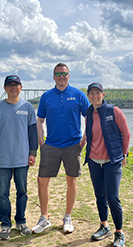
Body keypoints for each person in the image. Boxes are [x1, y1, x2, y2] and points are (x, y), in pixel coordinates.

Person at [32, 63, 90, 234]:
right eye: (58, 73)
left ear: (69, 76)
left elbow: (90, 118)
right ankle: (44, 218)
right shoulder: (46, 96)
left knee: (71, 181)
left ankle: (67, 217)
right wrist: (41, 142)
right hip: (51, 145)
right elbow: (40, 120)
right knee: (42, 180)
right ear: (53, 76)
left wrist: (83, 141)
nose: (61, 76)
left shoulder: (78, 95)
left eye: (64, 73)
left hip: (73, 145)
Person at [0, 75, 38, 240]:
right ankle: (5, 225)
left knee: (22, 192)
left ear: (21, 87)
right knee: (3, 194)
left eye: (16, 85)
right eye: (10, 85)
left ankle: (21, 222)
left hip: (22, 158)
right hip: (3, 159)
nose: (13, 87)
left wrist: (33, 152)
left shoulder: (28, 107)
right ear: (5, 89)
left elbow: (32, 133)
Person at [81, 82, 130, 247]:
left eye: (98, 93)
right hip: (94, 161)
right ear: (88, 96)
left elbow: (126, 133)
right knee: (99, 195)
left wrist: (124, 155)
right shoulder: (88, 114)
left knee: (112, 197)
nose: (95, 96)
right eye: (92, 93)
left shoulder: (113, 111)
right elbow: (87, 136)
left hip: (112, 161)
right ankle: (104, 226)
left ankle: (119, 232)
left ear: (103, 95)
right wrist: (78, 149)